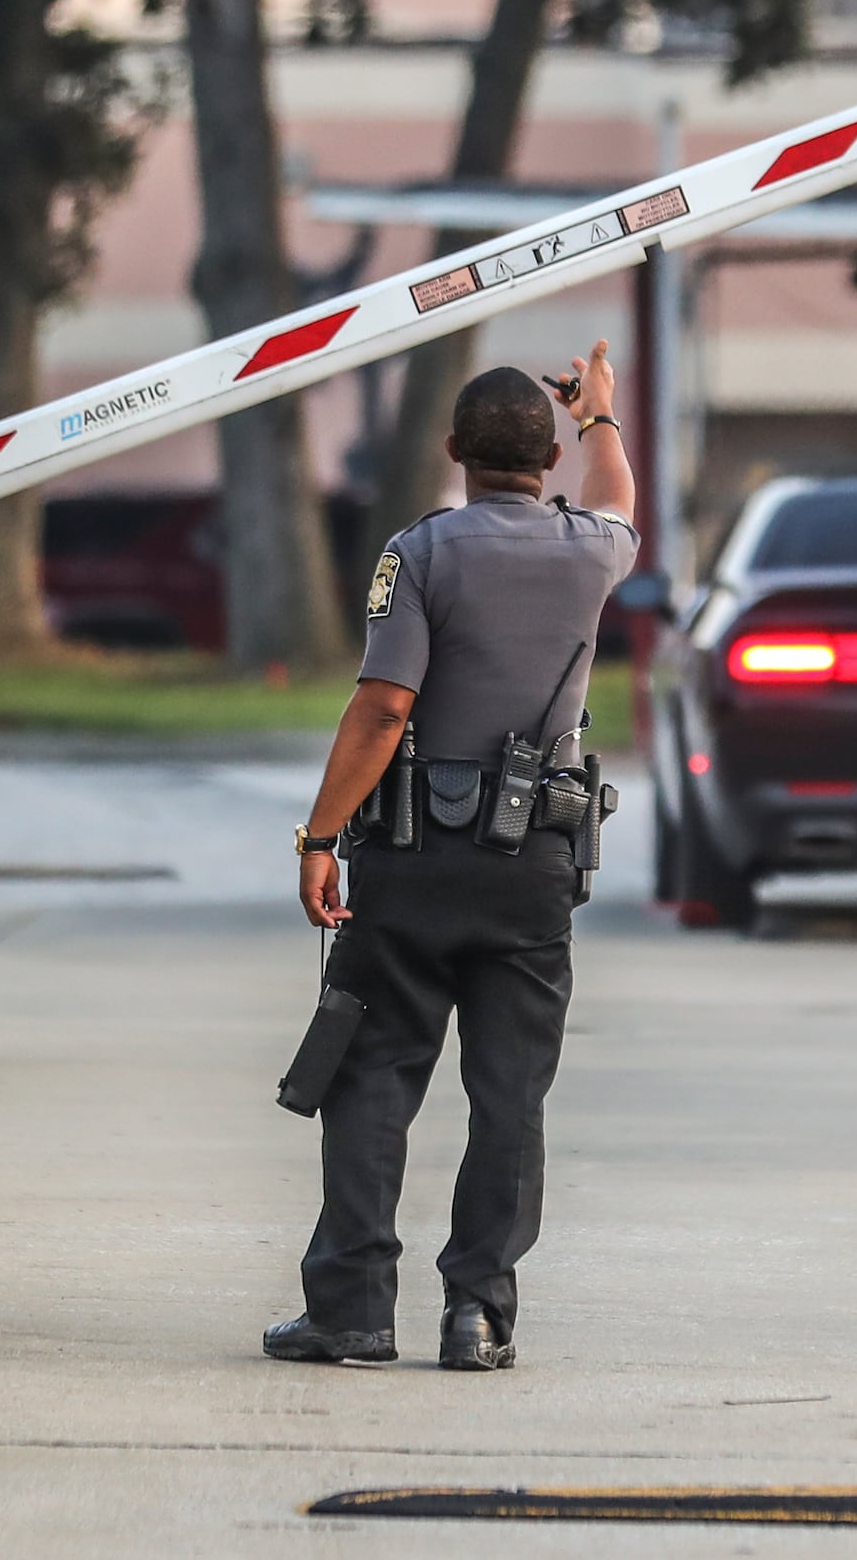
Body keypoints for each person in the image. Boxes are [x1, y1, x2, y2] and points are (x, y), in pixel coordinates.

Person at [266, 342, 637, 1371]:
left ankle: (351, 1310)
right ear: (549, 454)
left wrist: (321, 835)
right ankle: (478, 1312)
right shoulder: (589, 550)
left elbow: (385, 705)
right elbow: (620, 498)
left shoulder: (419, 552)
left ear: (451, 452)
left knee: (374, 1072)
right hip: (532, 873)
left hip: (415, 863)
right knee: (509, 1094)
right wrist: (601, 411)